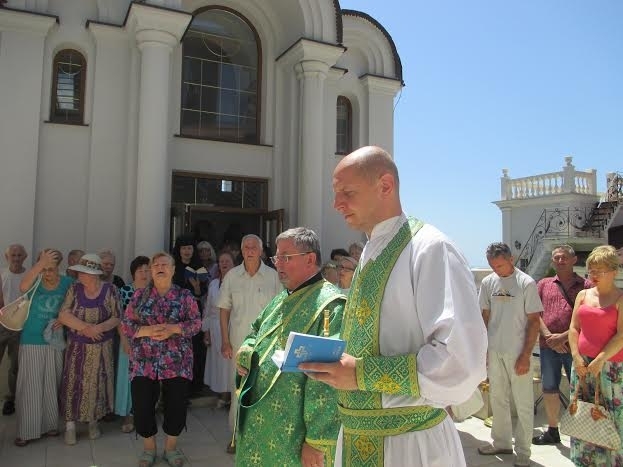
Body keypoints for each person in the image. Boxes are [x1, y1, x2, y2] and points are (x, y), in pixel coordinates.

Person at [301, 146, 488, 467]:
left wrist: (361, 374)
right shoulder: (370, 254)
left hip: (411, 445)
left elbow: (461, 363)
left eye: (347, 192)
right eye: (336, 194)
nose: (336, 204)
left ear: (385, 186)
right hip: (357, 437)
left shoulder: (430, 248)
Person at [235, 227, 345, 466]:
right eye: (276, 257)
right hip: (258, 421)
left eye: (286, 257)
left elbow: (326, 380)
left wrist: (316, 441)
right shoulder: (282, 298)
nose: (278, 264)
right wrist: (245, 351)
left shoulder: (330, 307)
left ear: (310, 259)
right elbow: (255, 331)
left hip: (291, 433)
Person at [121, 252, 201, 467]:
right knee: (143, 405)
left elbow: (195, 324)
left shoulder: (185, 296)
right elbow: (126, 325)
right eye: (155, 264)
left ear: (174, 270)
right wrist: (147, 330)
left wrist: (172, 329)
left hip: (177, 362)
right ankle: (149, 449)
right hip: (144, 362)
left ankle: (171, 449)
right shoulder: (139, 297)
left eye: (165, 264)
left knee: (176, 405)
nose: (159, 267)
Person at [478, 242, 542, 467]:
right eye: (492, 265)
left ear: (511, 259)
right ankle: (501, 442)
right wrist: (483, 350)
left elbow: (534, 321)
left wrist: (525, 355)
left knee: (523, 401)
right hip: (495, 349)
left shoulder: (526, 283)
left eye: (500, 265)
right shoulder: (487, 282)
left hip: (518, 351)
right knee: (498, 398)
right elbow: (484, 317)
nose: (496, 269)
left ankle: (523, 451)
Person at [217, 234, 282, 450]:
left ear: (262, 250)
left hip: (267, 344)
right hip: (238, 343)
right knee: (238, 389)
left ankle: (260, 437)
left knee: (263, 390)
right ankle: (236, 437)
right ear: (242, 251)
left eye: (254, 247)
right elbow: (224, 309)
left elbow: (282, 309)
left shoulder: (273, 277)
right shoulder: (232, 276)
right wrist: (225, 341)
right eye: (246, 247)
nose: (250, 250)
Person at [568, 245, 623, 466]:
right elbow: (573, 328)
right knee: (582, 413)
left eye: (600, 270)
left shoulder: (620, 298)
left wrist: (600, 359)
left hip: (610, 367)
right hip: (581, 365)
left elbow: (621, 335)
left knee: (609, 417)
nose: (594, 275)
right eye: (591, 270)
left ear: (614, 271)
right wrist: (576, 356)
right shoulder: (582, 295)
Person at [58, 253, 121, 445]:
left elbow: (117, 316)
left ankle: (93, 421)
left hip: (102, 348)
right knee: (73, 384)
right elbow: (63, 314)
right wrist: (86, 329)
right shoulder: (74, 289)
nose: (80, 276)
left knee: (97, 384)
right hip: (77, 346)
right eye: (80, 272)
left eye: (83, 273)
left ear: (94, 275)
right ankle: (70, 426)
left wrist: (98, 328)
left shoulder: (111, 289)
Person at [532, 245, 591, 445]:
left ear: (574, 260)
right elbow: (535, 313)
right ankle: (552, 430)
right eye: (556, 258)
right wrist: (550, 337)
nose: (559, 261)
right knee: (549, 388)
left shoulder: (587, 286)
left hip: (575, 347)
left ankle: (582, 433)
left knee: (580, 388)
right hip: (548, 346)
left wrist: (564, 338)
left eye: (564, 257)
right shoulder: (543, 284)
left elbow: (588, 319)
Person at [14, 249, 73, 446]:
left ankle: (50, 426)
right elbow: (22, 287)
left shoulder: (67, 283)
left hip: (55, 340)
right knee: (30, 386)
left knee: (51, 383)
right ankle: (26, 431)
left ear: (59, 268)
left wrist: (64, 320)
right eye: (45, 269)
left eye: (52, 269)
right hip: (31, 339)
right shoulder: (35, 280)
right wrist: (40, 264)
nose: (48, 273)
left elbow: (74, 306)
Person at [115, 255, 151, 433]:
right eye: (140, 270)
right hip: (130, 341)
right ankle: (127, 415)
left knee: (147, 380)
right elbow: (120, 320)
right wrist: (124, 341)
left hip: (151, 343)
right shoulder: (125, 291)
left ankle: (143, 414)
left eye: (147, 270)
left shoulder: (155, 292)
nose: (144, 274)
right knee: (128, 379)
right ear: (133, 273)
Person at [171, 235, 207, 397]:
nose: (187, 251)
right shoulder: (172, 268)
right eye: (184, 248)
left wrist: (197, 288)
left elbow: (201, 294)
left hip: (193, 313)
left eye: (189, 248)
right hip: (175, 314)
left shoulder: (199, 267)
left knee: (195, 348)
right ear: (178, 250)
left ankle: (194, 386)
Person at [202, 250, 236, 407]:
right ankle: (222, 392)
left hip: (232, 326)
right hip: (215, 327)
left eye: (227, 261)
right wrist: (207, 331)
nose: (224, 264)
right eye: (221, 261)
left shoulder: (238, 283)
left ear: (234, 264)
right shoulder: (214, 284)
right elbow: (208, 309)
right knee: (218, 363)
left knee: (230, 362)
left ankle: (228, 395)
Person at [0, 243, 28, 415]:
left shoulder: (28, 274)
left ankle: (10, 399)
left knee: (15, 366)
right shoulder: (2, 274)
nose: (16, 258)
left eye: (19, 255)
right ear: (7, 257)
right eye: (13, 255)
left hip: (19, 327)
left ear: (24, 257)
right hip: (1, 324)